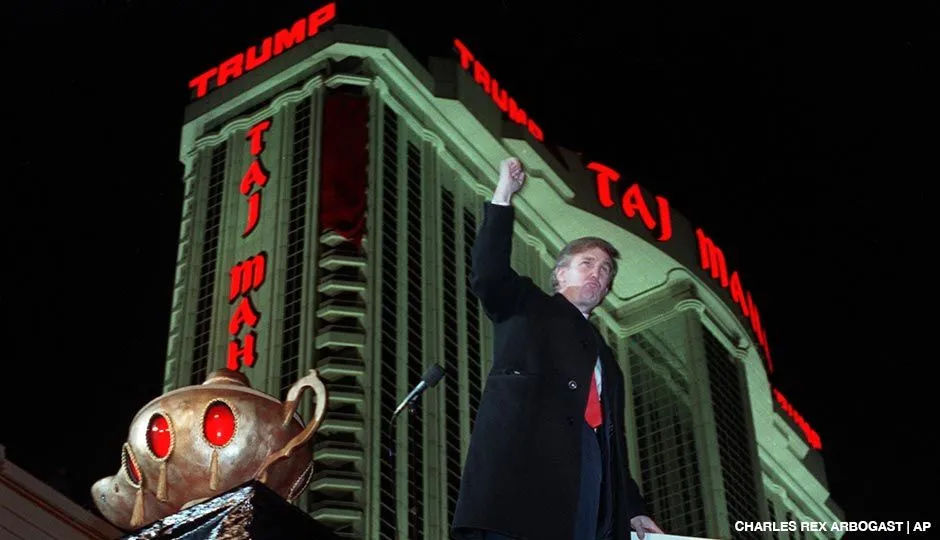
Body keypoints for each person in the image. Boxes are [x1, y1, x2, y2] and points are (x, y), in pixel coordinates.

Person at [452, 157, 664, 540]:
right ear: (560, 273)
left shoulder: (607, 361)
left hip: (588, 467)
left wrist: (633, 510)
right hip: (525, 465)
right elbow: (488, 273)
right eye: (587, 263)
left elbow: (614, 442)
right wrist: (503, 195)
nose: (597, 273)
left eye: (604, 270)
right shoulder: (527, 304)